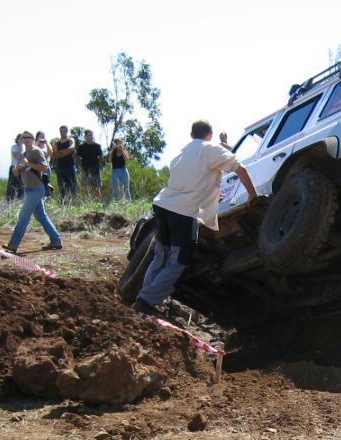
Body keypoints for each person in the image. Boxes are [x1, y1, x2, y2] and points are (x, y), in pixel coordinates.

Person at [133, 120, 259, 316]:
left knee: (161, 254)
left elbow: (196, 179)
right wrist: (252, 194)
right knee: (178, 261)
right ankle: (146, 301)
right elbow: (239, 168)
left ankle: (143, 298)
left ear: (193, 134)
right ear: (209, 134)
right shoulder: (209, 148)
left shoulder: (181, 154)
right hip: (184, 212)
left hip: (163, 205)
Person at [2, 131, 62, 254]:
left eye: (29, 137)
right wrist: (19, 167)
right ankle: (56, 240)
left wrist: (28, 164)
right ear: (22, 140)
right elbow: (15, 172)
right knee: (41, 216)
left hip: (36, 189)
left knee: (23, 216)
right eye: (25, 138)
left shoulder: (36, 151)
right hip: (29, 189)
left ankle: (13, 244)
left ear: (33, 139)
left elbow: (44, 167)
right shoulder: (24, 154)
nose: (27, 139)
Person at [76, 129, 104, 201]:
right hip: (85, 169)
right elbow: (78, 157)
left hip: (95, 170)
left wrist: (99, 165)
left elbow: (101, 157)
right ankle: (88, 203)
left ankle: (99, 203)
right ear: (85, 136)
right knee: (86, 188)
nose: (90, 136)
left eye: (91, 135)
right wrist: (81, 166)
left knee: (97, 188)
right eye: (89, 135)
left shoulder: (97, 146)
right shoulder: (81, 147)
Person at [52, 125, 77, 202]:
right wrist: (66, 152)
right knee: (62, 187)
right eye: (61, 131)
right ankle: (64, 203)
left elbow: (71, 148)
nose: (62, 132)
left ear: (67, 131)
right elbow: (55, 154)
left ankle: (74, 202)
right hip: (60, 168)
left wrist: (61, 153)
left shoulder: (70, 140)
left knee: (72, 186)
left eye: (64, 131)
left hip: (70, 166)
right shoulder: (57, 143)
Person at [109, 138, 132, 202]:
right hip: (115, 171)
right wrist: (113, 149)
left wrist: (122, 150)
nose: (120, 144)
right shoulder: (112, 151)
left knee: (126, 187)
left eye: (121, 143)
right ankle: (118, 202)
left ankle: (128, 202)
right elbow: (109, 159)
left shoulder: (124, 150)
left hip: (124, 170)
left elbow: (127, 159)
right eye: (119, 143)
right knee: (116, 188)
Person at [6, 133, 25, 201]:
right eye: (20, 138)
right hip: (14, 167)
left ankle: (20, 199)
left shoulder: (25, 147)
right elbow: (17, 156)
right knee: (12, 185)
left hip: (22, 168)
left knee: (21, 185)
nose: (22, 140)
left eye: (23, 138)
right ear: (17, 139)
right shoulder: (14, 147)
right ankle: (10, 200)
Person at [35, 131, 53, 198]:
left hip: (46, 168)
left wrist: (47, 143)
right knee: (37, 185)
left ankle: (47, 199)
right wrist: (37, 142)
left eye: (43, 136)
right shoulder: (34, 144)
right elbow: (32, 151)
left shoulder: (47, 145)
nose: (42, 137)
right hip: (37, 168)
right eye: (40, 136)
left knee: (46, 184)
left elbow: (51, 154)